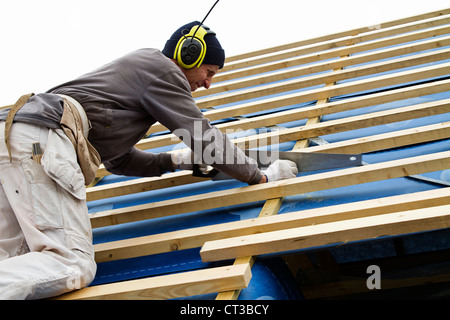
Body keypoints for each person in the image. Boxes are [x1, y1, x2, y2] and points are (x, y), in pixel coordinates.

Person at [0, 21, 298, 299]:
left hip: (12, 137)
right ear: (188, 55)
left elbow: (117, 161)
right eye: (209, 72)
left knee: (15, 259)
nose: (207, 83)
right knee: (71, 263)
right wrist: (260, 177)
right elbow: (201, 134)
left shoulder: (132, 80)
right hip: (41, 139)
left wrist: (172, 161)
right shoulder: (161, 69)